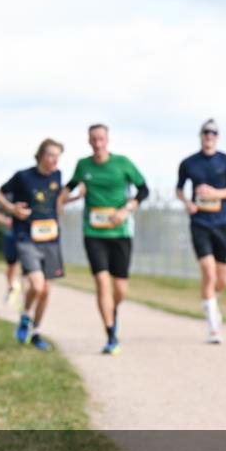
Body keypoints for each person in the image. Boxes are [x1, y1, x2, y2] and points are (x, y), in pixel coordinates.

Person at [60, 124, 149, 355]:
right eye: (93, 140)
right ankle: (110, 334)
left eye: (101, 139)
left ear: (107, 140)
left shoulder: (123, 163)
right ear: (88, 141)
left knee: (120, 290)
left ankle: (112, 311)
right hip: (93, 233)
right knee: (101, 283)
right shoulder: (83, 165)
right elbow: (67, 188)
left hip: (120, 233)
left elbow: (143, 189)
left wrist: (126, 209)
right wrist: (62, 201)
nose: (97, 144)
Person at [0, 139, 66, 352]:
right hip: (27, 237)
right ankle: (26, 314)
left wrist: (73, 198)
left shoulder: (57, 176)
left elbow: (54, 203)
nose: (54, 160)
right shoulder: (23, 176)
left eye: (58, 156)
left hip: (51, 240)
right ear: (41, 156)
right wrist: (11, 208)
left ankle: (35, 332)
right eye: (51, 155)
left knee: (45, 291)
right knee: (37, 285)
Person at [175, 119, 226, 344]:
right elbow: (179, 189)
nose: (209, 136)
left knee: (222, 281)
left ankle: (212, 304)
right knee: (208, 272)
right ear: (200, 135)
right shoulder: (189, 163)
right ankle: (214, 327)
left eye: (213, 132)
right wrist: (187, 203)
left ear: (217, 136)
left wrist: (215, 193)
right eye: (205, 132)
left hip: (222, 223)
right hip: (199, 223)